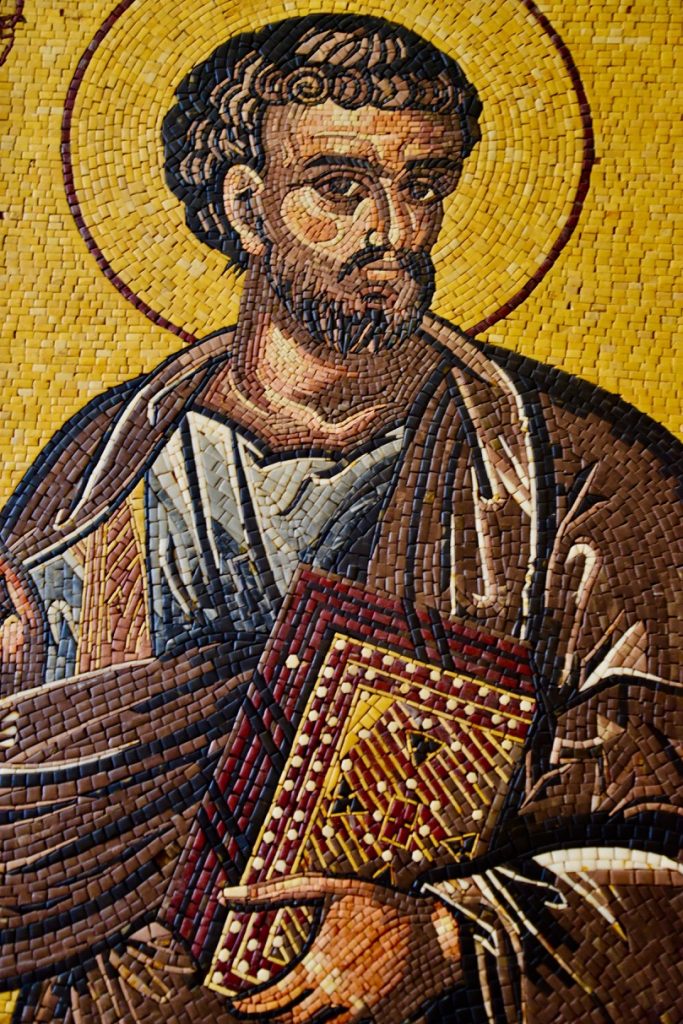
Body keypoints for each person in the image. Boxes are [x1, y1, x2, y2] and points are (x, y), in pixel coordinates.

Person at [0, 13, 681, 1023]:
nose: (393, 231)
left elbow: (659, 842)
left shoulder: (584, 474)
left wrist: (446, 937)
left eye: (424, 186)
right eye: (339, 187)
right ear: (246, 205)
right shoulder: (95, 478)